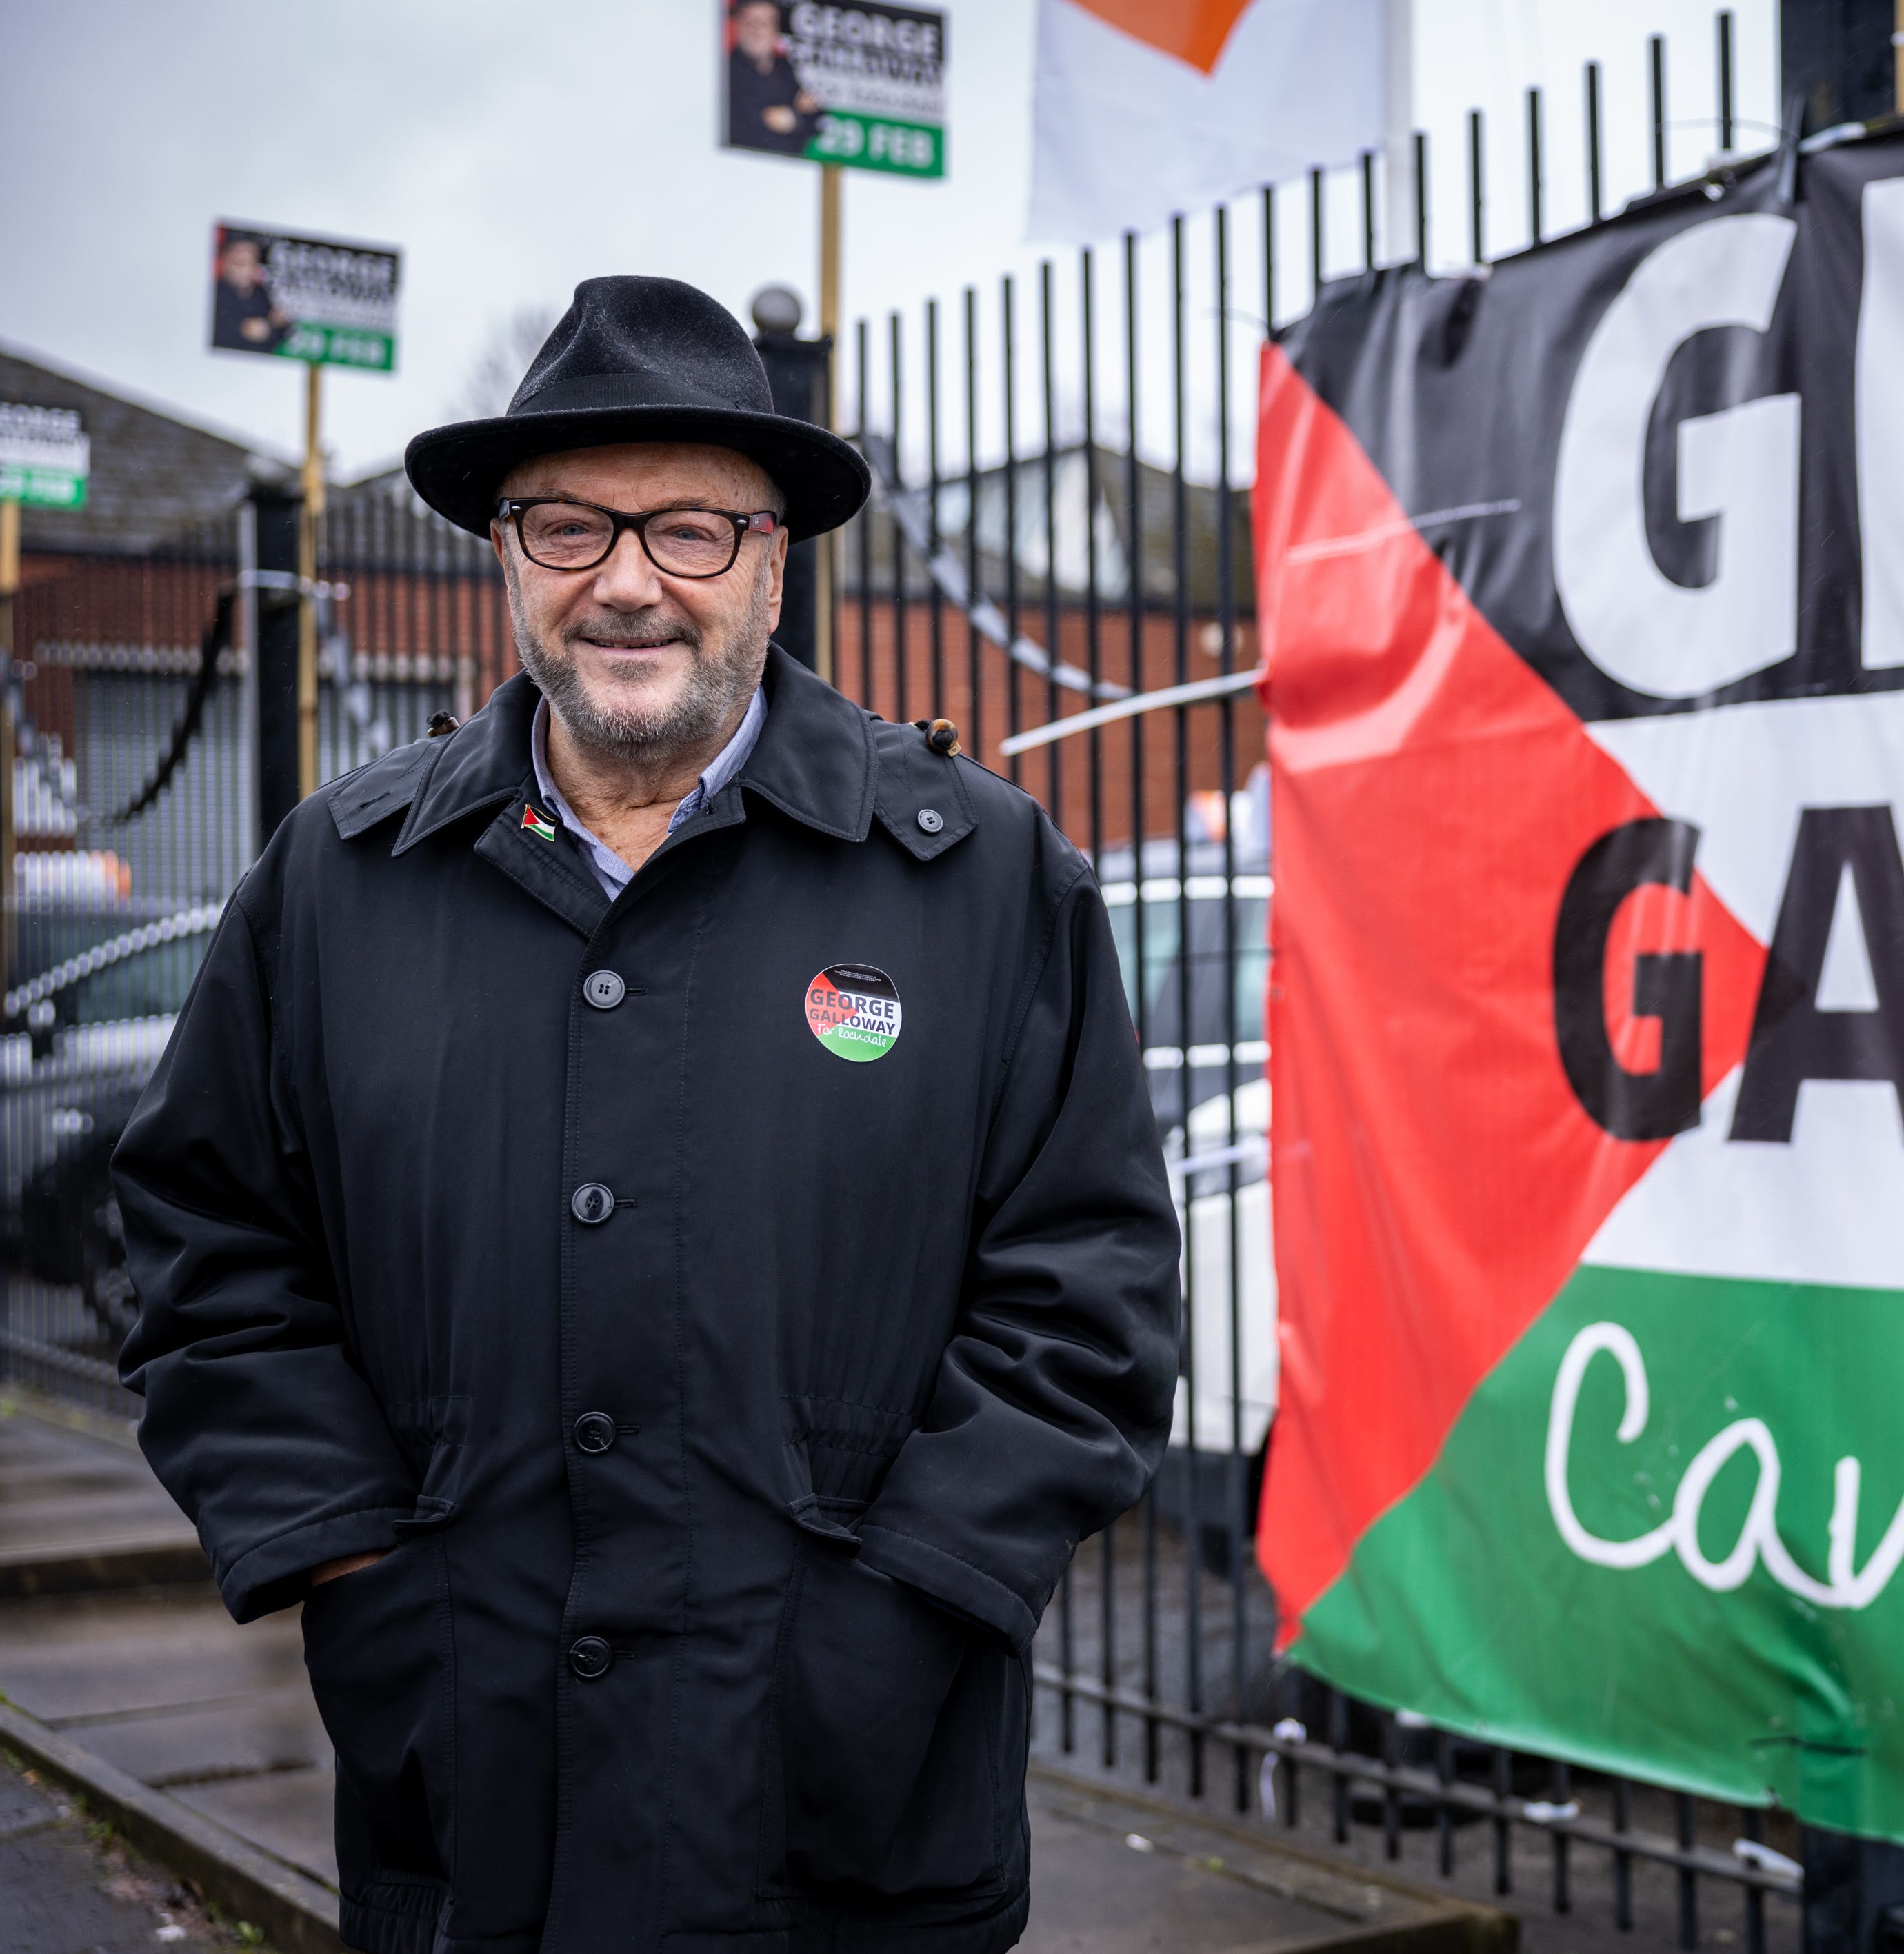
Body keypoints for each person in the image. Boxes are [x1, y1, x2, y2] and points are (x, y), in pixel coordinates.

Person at [115, 276, 1181, 1953]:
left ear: (772, 557)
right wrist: (354, 1573)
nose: (625, 580)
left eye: (688, 529)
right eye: (566, 525)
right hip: (474, 1814)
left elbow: (1088, 1297)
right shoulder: (338, 879)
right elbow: (205, 1249)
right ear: (505, 555)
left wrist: (896, 1613)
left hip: (856, 1828)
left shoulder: (982, 878)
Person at [725, 0, 821, 157]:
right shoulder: (727, 71)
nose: (757, 31)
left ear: (775, 30)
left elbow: (818, 120)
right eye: (750, 22)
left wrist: (794, 118)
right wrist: (796, 113)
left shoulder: (785, 69)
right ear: (738, 26)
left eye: (764, 23)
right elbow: (747, 129)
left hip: (789, 171)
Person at [210, 232, 287, 354]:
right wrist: (267, 327)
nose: (243, 268)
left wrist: (269, 329)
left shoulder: (262, 296)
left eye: (249, 261)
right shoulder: (213, 294)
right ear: (225, 261)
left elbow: (284, 331)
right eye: (238, 261)